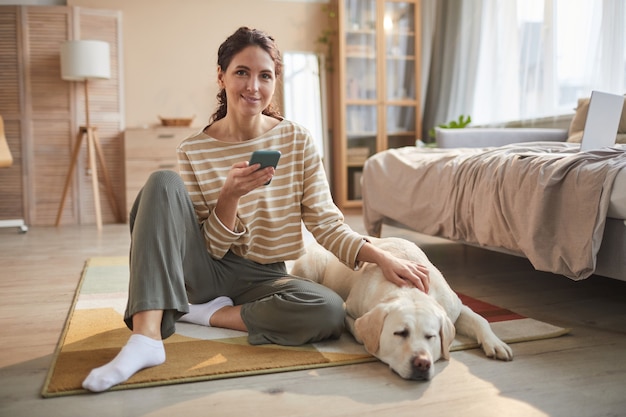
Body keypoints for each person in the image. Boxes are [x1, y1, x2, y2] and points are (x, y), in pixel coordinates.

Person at [82, 26, 430, 393]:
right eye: (241, 72)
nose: (253, 86)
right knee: (161, 183)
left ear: (275, 81)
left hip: (265, 278)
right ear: (221, 76)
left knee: (328, 311)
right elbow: (210, 248)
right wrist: (229, 197)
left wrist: (380, 256)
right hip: (205, 270)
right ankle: (146, 337)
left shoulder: (297, 139)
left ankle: (203, 314)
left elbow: (326, 223)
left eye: (265, 75)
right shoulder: (194, 150)